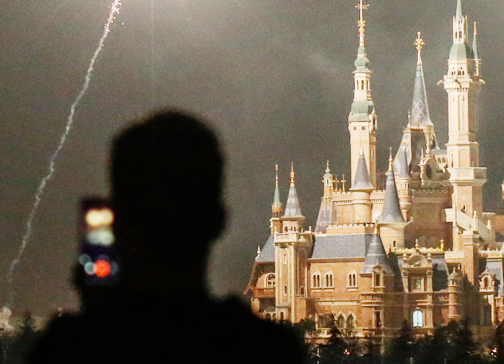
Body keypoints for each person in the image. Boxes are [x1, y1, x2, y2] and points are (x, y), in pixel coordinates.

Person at [29, 110, 305, 363]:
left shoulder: (68, 348)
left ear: (118, 223)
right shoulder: (265, 349)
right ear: (219, 220)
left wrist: (97, 316)